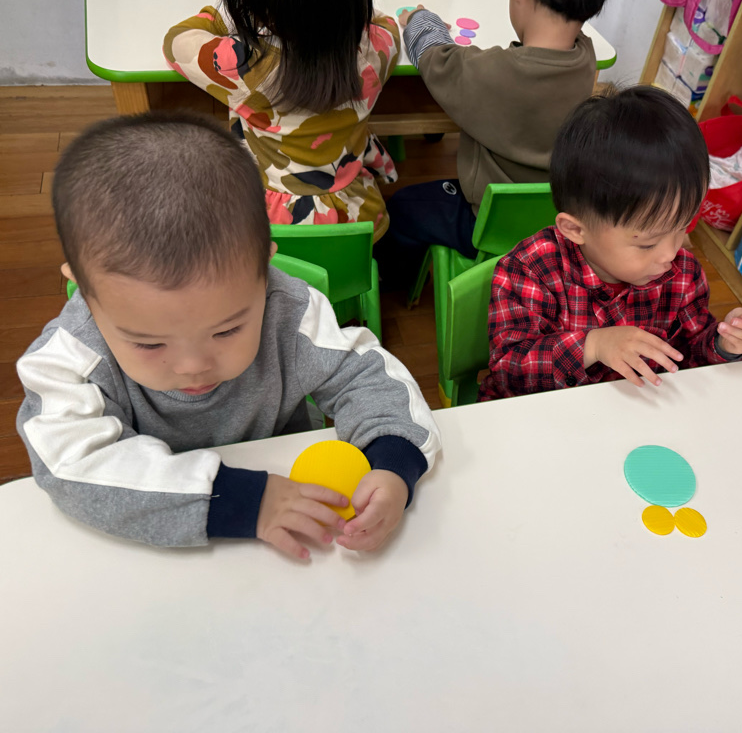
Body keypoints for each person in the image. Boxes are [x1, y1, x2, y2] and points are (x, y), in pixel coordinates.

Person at [15, 112, 440, 559]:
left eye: (227, 329)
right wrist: (241, 501)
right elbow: (68, 464)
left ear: (264, 268)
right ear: (85, 290)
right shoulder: (71, 357)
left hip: (297, 532)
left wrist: (392, 461)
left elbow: (367, 376)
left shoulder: (289, 311)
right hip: (175, 541)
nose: (192, 366)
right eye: (149, 343)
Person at [478, 86, 742, 401]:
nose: (670, 253)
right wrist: (594, 346)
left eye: (683, 226)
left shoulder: (682, 274)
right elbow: (509, 370)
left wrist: (726, 344)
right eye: (647, 244)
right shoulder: (531, 269)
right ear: (575, 230)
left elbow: (690, 359)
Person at [376, 0, 618, 288]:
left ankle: (397, 281)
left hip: (484, 223)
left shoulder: (493, 73)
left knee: (401, 208)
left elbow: (435, 59)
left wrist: (419, 19)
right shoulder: (586, 57)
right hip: (551, 221)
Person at [164, 0, 399, 239]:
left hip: (269, 224)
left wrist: (223, 17)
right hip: (356, 217)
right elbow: (386, 23)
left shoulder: (245, 63)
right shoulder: (379, 48)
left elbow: (175, 42)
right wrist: (340, 2)